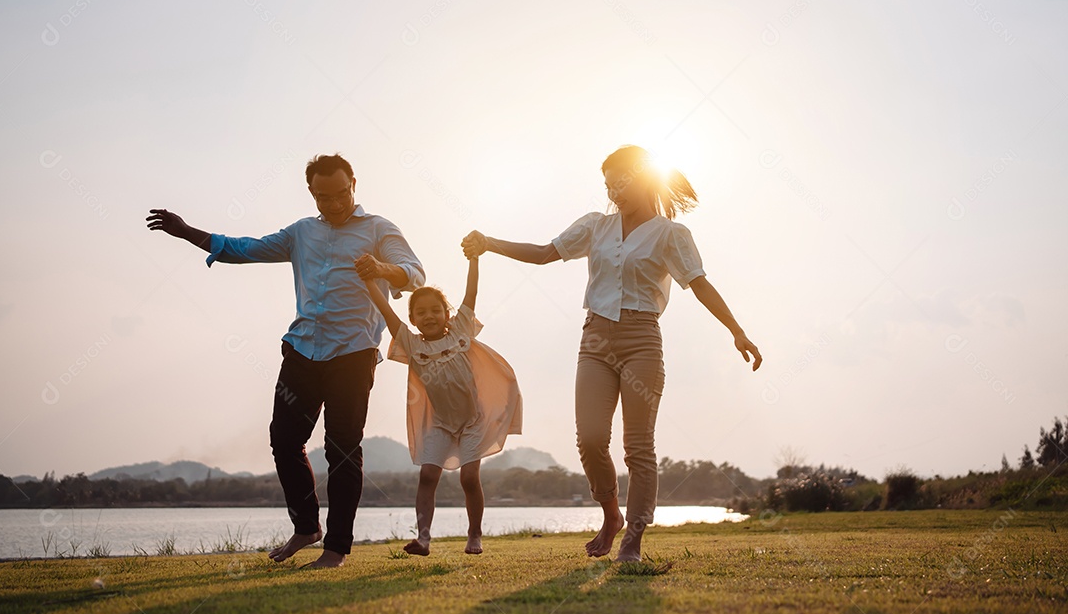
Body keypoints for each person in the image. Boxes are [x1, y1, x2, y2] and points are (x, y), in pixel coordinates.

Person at [461, 144, 762, 562]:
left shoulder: (671, 234)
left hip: (642, 339)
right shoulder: (595, 227)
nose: (614, 191)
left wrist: (737, 330)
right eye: (608, 184)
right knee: (590, 438)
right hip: (595, 341)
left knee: (638, 447)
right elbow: (545, 253)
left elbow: (700, 284)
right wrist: (490, 243)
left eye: (621, 181)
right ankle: (610, 514)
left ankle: (633, 539)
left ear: (643, 177)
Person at [146, 153, 424, 568]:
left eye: (340, 194)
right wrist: (188, 233)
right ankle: (307, 527)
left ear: (354, 184)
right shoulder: (301, 233)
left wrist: (381, 266)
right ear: (311, 192)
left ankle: (336, 549)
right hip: (301, 351)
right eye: (321, 197)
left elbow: (414, 273)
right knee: (284, 440)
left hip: (353, 354)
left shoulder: (379, 229)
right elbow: (246, 249)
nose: (332, 204)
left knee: (342, 450)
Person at [364, 255, 522, 556]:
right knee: (427, 476)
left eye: (436, 310)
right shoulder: (412, 345)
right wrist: (369, 280)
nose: (429, 316)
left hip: (473, 421)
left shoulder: (461, 332)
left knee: (469, 477)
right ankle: (423, 538)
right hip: (440, 424)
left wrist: (474, 260)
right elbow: (385, 311)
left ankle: (474, 535)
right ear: (412, 320)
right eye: (421, 312)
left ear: (447, 314)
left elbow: (471, 293)